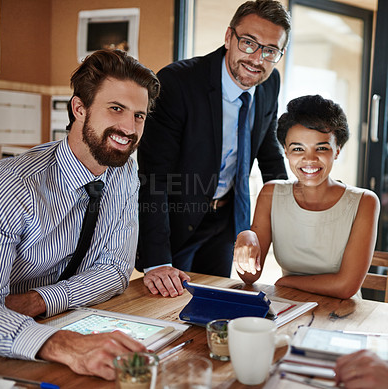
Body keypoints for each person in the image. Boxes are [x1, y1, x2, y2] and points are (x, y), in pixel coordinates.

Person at [0, 49, 160, 380]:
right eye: (116, 109)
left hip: (59, 321)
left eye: (139, 115)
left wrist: (39, 300)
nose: (129, 127)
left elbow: (115, 270)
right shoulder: (11, 186)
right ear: (79, 108)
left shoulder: (122, 172)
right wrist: (63, 344)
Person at [137, 0, 291, 298]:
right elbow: (153, 176)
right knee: (170, 307)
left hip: (225, 222)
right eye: (249, 43)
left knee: (210, 306)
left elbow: (268, 151)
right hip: (178, 221)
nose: (257, 59)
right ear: (228, 37)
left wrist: (291, 208)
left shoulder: (270, 84)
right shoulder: (177, 82)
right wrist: (157, 260)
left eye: (270, 50)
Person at [233, 94, 380, 299]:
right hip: (288, 308)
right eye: (297, 149)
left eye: (321, 148)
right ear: (285, 151)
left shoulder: (364, 201)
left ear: (337, 150)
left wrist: (286, 282)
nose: (309, 159)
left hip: (342, 316)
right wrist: (245, 236)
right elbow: (250, 276)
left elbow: (346, 287)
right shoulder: (271, 193)